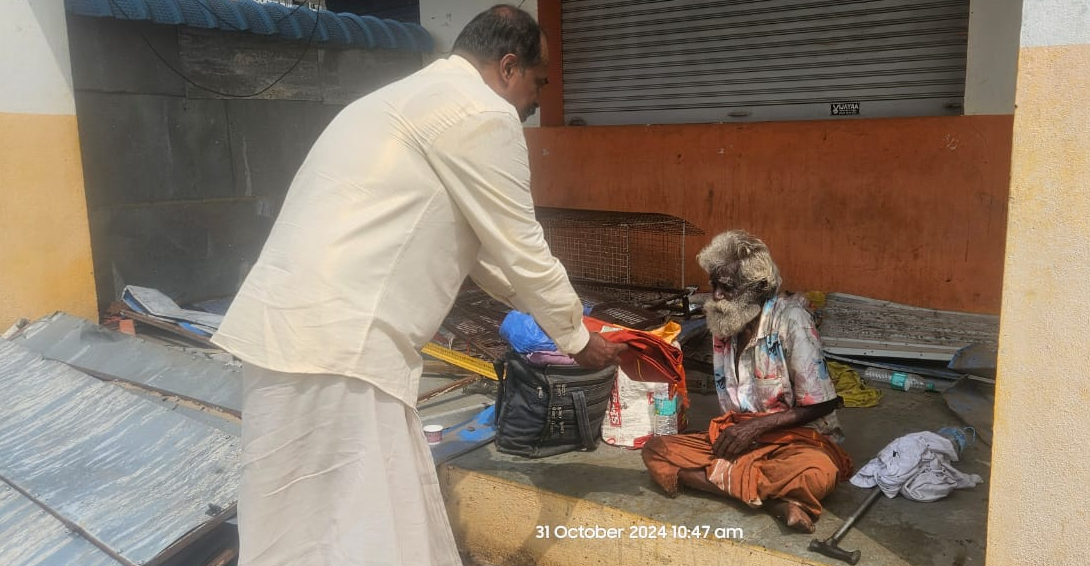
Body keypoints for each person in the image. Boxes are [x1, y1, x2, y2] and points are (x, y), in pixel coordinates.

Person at [211, 5, 628, 566]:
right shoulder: (481, 113)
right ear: (508, 67)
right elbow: (520, 244)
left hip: (289, 334)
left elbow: (490, 258)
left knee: (301, 526)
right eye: (538, 83)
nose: (535, 103)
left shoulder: (398, 100)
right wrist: (578, 340)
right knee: (361, 532)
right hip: (344, 350)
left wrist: (563, 320)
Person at [641, 230, 852, 533]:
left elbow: (824, 403)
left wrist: (757, 426)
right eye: (713, 285)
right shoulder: (724, 324)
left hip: (795, 440)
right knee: (657, 449)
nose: (715, 296)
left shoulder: (792, 321)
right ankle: (773, 501)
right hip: (740, 433)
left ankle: (735, 481)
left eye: (726, 288)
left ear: (757, 289)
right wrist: (744, 430)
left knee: (816, 472)